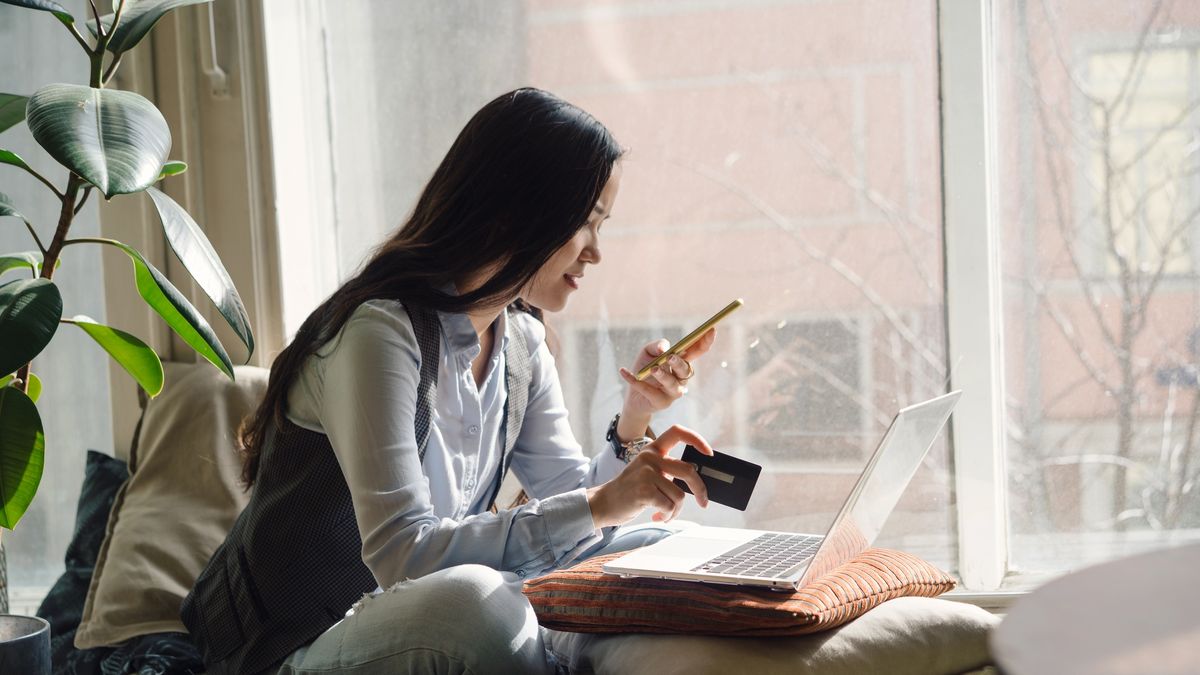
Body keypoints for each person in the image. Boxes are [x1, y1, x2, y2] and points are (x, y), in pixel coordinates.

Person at [181, 87, 718, 675]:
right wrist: (595, 506)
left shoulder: (521, 343)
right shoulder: (379, 333)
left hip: (410, 624)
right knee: (475, 608)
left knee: (669, 550)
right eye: (587, 224)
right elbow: (403, 555)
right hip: (291, 645)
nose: (595, 253)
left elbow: (574, 507)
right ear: (515, 211)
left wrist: (635, 418)